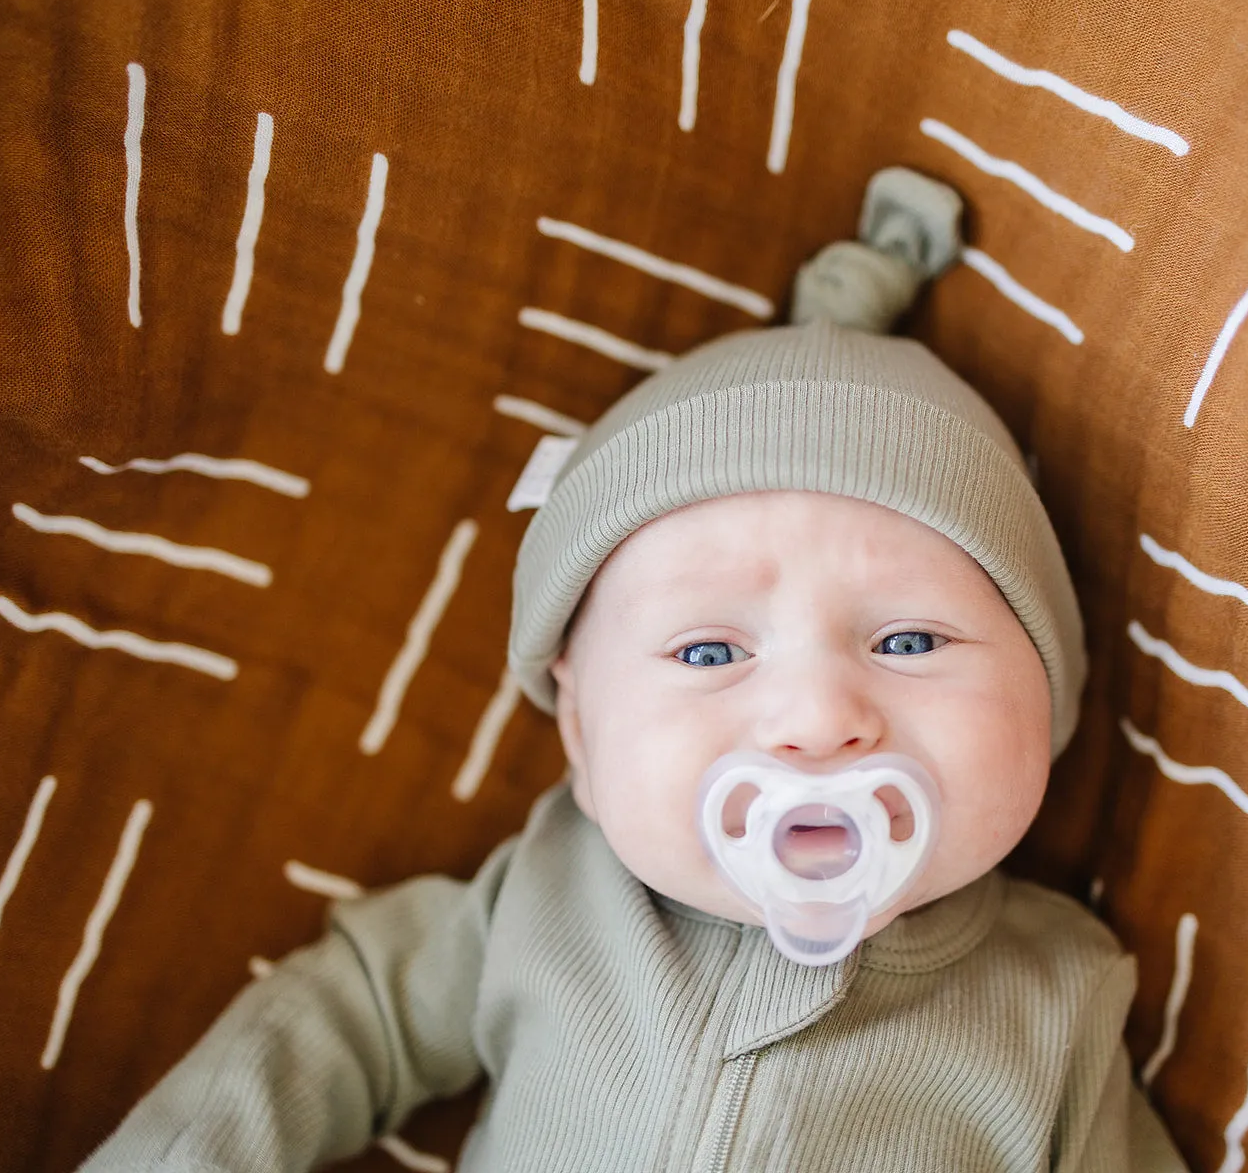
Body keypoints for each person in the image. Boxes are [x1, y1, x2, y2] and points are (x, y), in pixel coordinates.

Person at [78, 169, 1188, 1172]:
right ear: (578, 730)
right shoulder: (552, 896)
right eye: (709, 652)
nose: (812, 720)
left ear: (1048, 692)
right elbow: (339, 1020)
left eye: (907, 642)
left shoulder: (1057, 999)